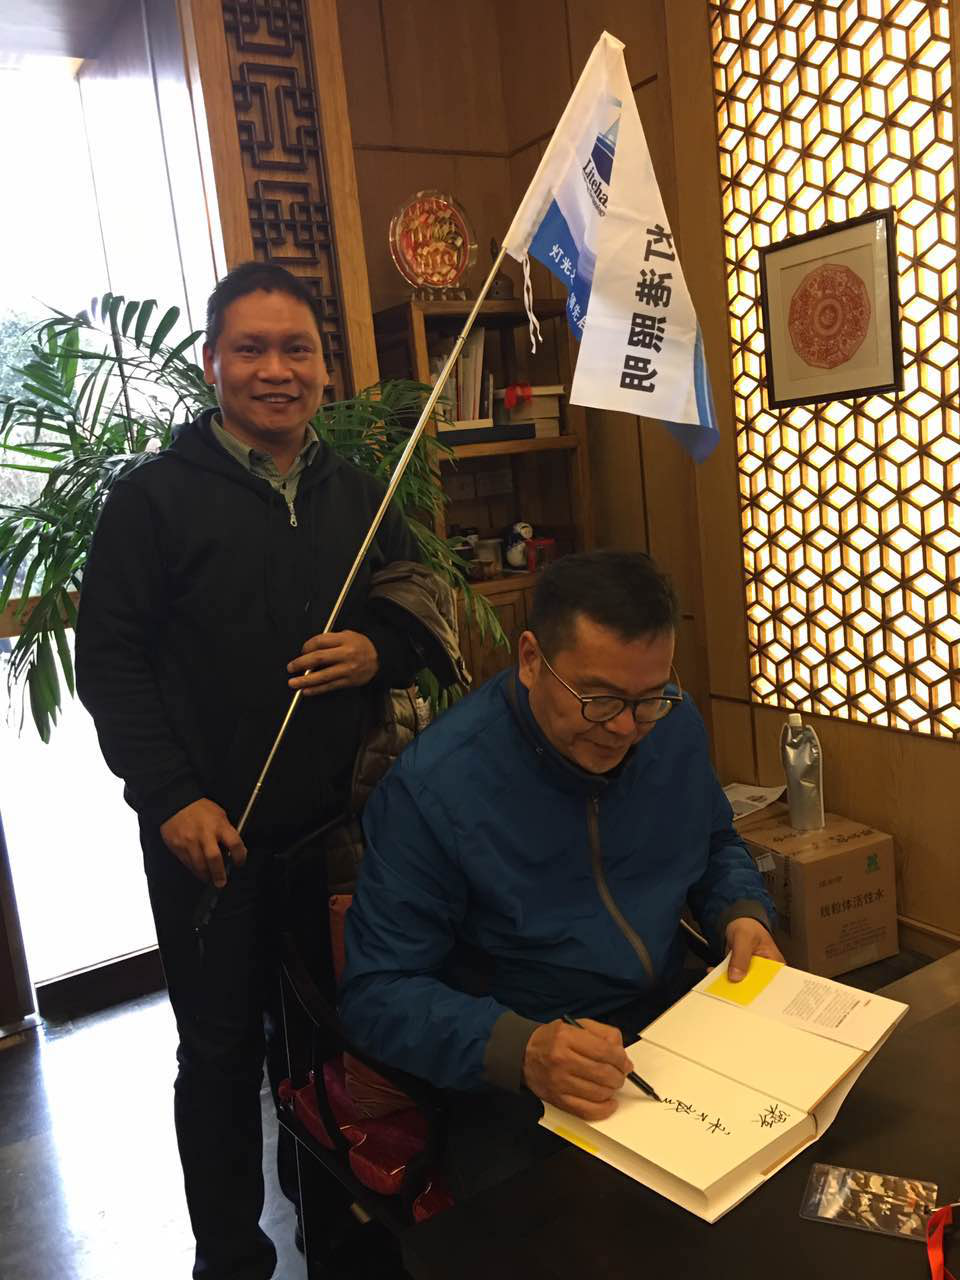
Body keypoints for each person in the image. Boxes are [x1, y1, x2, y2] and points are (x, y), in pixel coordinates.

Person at [75, 262, 428, 1280]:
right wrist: (170, 796)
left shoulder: (358, 493)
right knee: (221, 1056)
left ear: (325, 368)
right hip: (206, 841)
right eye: (252, 349)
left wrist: (375, 648)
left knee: (326, 1049)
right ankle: (230, 1257)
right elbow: (110, 663)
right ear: (212, 364)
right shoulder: (151, 500)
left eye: (297, 350)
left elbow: (417, 606)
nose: (277, 370)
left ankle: (335, 1237)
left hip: (334, 837)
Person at [339, 549, 783, 1196]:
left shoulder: (672, 726)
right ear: (530, 659)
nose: (625, 728)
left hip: (670, 1018)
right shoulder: (436, 788)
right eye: (598, 699)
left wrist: (741, 914)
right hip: (518, 1059)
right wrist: (520, 1049)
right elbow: (376, 994)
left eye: (648, 698)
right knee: (573, 1225)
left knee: (782, 1165)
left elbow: (714, 841)